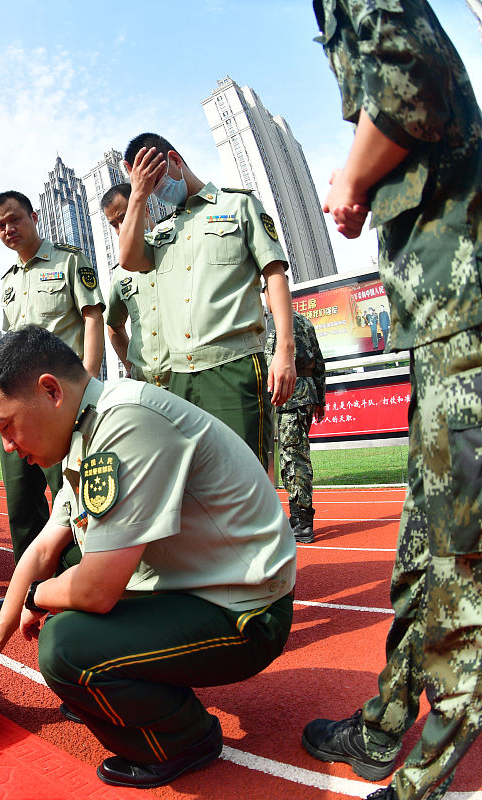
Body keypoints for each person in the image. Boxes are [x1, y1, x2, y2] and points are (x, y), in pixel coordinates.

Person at [0, 326, 295, 788]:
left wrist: (37, 598)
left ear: (50, 391)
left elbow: (96, 590)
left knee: (66, 646)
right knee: (70, 587)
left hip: (247, 613)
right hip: (194, 590)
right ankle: (136, 687)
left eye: (7, 426)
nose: (8, 446)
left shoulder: (126, 421)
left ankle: (184, 739)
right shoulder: (86, 431)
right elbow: (43, 549)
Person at [301, 4, 482, 799]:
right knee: (422, 553)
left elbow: (412, 80)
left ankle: (425, 782)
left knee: (460, 565)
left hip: (467, 315)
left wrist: (352, 179)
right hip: (444, 322)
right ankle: (383, 727)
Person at [119, 132, 297, 467]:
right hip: (178, 377)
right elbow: (127, 259)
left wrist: (285, 351)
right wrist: (138, 194)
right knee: (195, 486)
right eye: (149, 187)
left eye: (157, 181)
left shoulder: (238, 205)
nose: (157, 192)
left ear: (174, 160)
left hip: (234, 366)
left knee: (245, 479)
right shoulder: (162, 232)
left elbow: (275, 274)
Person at [0, 190, 102, 609]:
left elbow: (92, 317)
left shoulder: (68, 261)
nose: (8, 230)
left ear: (34, 216)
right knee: (21, 500)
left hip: (60, 403)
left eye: (14, 219)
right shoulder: (6, 282)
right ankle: (29, 590)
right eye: (0, 226)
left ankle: (76, 586)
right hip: (20, 406)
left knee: (72, 498)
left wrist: (87, 383)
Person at [265, 302, 325, 543]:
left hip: (290, 394)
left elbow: (268, 359)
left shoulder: (276, 323)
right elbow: (319, 361)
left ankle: (302, 520)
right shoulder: (305, 321)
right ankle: (299, 516)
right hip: (306, 392)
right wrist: (320, 399)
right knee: (295, 455)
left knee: (293, 458)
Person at [101, 183, 171, 388]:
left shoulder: (174, 247)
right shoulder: (120, 272)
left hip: (188, 375)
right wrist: (131, 367)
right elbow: (114, 325)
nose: (121, 229)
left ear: (145, 209)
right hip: (148, 384)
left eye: (124, 217)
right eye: (114, 224)